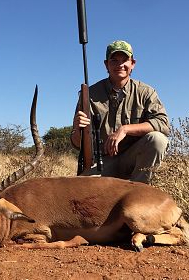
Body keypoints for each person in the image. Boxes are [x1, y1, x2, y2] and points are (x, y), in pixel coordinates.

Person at [71, 40, 169, 183]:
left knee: (158, 139)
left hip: (133, 158)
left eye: (125, 60)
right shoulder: (89, 95)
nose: (120, 65)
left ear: (132, 63)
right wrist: (76, 129)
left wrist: (125, 130)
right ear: (106, 64)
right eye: (114, 60)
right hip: (103, 163)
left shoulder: (146, 92)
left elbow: (163, 124)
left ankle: (138, 193)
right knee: (77, 191)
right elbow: (77, 145)